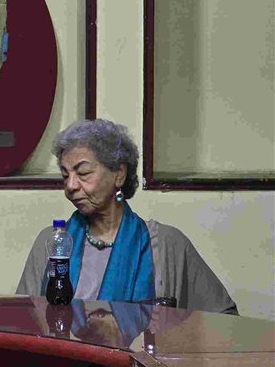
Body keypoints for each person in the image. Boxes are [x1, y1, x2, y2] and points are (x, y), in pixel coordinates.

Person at [16, 119, 237, 313]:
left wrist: (174, 337)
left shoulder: (166, 244)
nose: (71, 186)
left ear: (119, 174)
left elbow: (223, 319)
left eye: (83, 173)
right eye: (65, 175)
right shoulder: (53, 243)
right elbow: (24, 321)